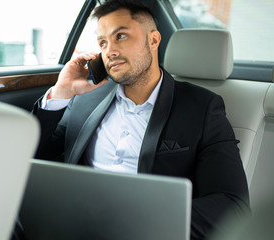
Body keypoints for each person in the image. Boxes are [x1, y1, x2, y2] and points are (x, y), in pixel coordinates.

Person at [31, 0, 250, 239]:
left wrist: (139, 223)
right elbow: (33, 156)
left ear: (153, 40)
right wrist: (61, 91)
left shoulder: (202, 108)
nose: (109, 51)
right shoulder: (86, 98)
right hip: (70, 223)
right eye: (102, 42)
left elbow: (232, 206)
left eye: (121, 36)